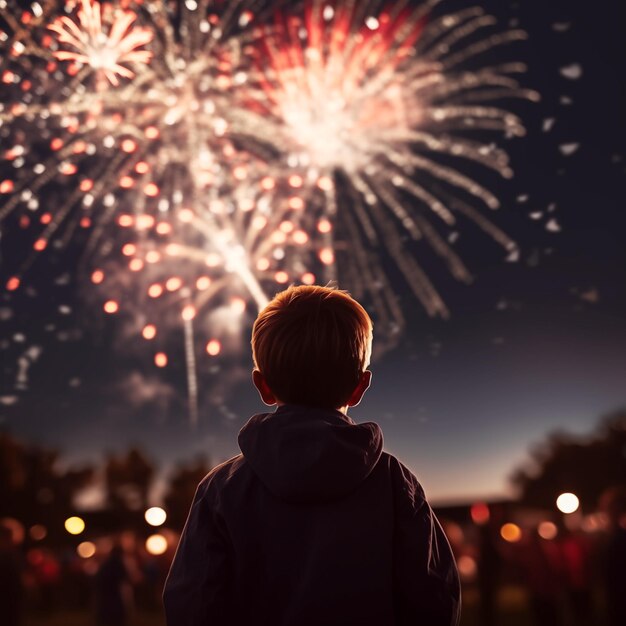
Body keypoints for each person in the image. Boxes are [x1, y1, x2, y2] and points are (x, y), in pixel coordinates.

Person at [163, 285, 461, 626]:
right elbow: (435, 598)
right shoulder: (396, 484)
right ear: (360, 386)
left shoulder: (221, 489)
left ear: (263, 386)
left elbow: (193, 605)